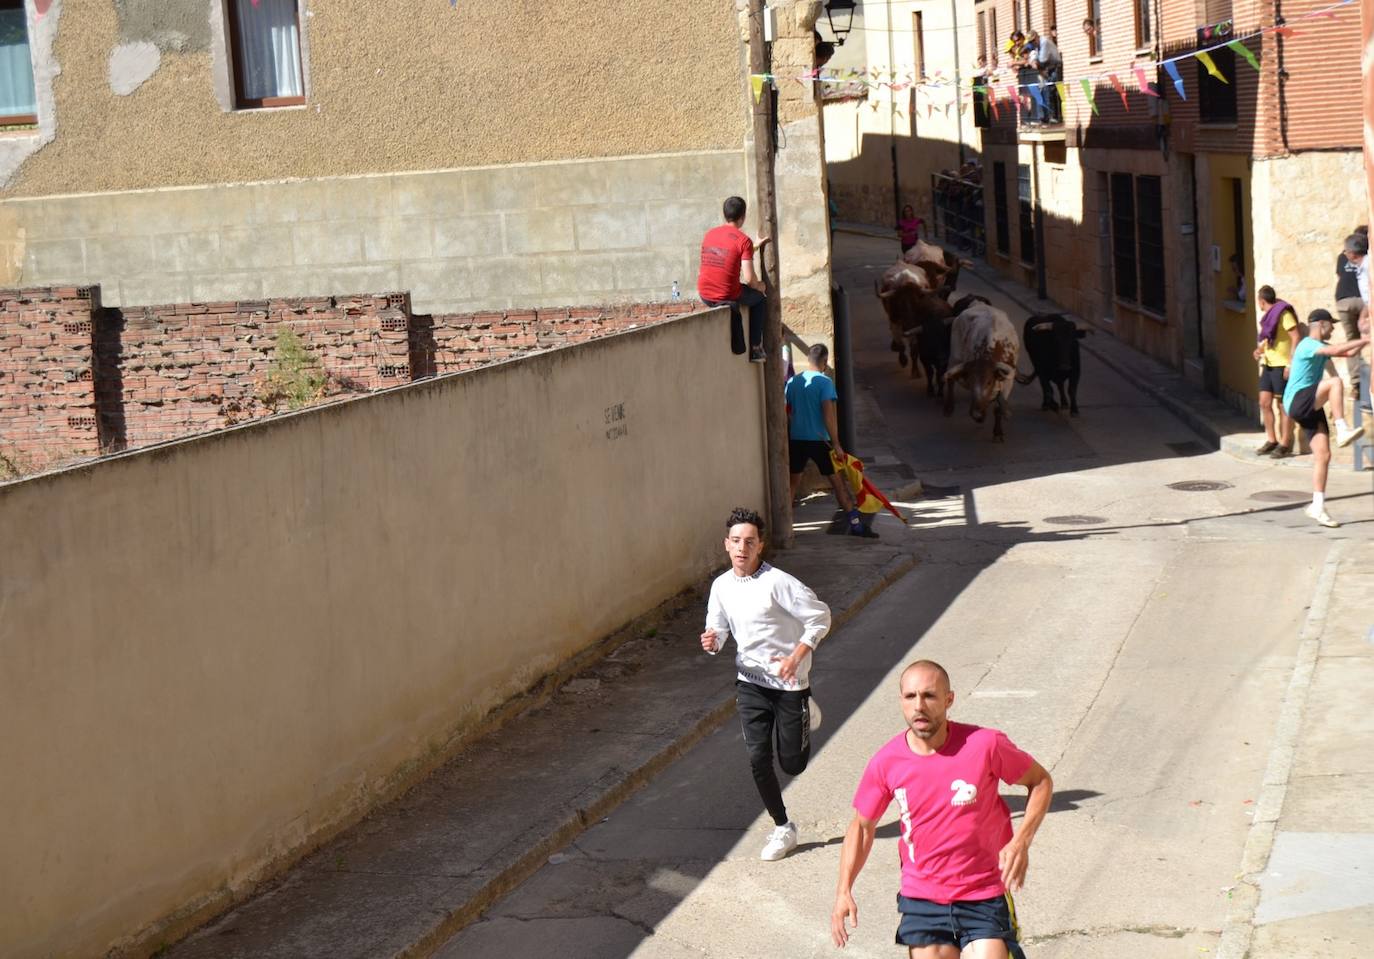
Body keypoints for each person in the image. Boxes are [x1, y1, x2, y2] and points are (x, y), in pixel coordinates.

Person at [831, 660, 1053, 957]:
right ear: (901, 701)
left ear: (949, 700)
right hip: (923, 898)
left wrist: (1022, 841)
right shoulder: (886, 762)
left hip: (983, 892)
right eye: (910, 696)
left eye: (929, 696)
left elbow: (1040, 782)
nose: (919, 705)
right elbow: (862, 827)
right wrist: (843, 890)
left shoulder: (985, 744)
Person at [701, 507, 831, 861]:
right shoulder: (722, 586)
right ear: (727, 544)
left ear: (760, 546)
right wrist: (714, 642)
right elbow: (720, 628)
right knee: (758, 758)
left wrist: (796, 656)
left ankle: (806, 711)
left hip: (790, 683)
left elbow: (820, 617)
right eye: (736, 541)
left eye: (750, 542)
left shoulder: (779, 583)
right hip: (750, 683)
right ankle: (782, 827)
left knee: (792, 765)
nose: (742, 548)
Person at [1282, 309, 1368, 528]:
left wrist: (1364, 340)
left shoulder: (1321, 350)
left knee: (1323, 455)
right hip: (1297, 400)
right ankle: (1342, 429)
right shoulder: (1308, 344)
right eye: (1331, 324)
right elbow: (1339, 349)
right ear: (1321, 324)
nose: (1333, 328)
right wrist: (1366, 338)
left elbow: (1346, 354)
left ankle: (1317, 506)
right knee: (1336, 383)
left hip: (1308, 403)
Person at [785, 343, 868, 536]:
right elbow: (828, 415)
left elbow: (786, 411)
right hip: (820, 440)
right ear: (824, 362)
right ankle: (855, 524)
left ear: (808, 360)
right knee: (837, 483)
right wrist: (837, 443)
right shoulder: (825, 383)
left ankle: (786, 526)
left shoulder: (793, 382)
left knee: (792, 484)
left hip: (797, 439)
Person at [698, 196, 771, 363]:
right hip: (726, 294)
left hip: (704, 294)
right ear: (743, 217)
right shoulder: (743, 240)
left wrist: (754, 247)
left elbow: (726, 252)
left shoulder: (710, 234)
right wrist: (760, 286)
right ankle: (756, 349)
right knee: (760, 299)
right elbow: (750, 278)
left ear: (725, 214)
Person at [1251, 286, 1299, 457]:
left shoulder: (1283, 314)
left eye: (1259, 301)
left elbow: (1295, 336)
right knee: (1264, 402)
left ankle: (1285, 442)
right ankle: (1272, 440)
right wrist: (1260, 350)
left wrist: (1290, 364)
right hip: (1269, 364)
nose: (1259, 304)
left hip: (1282, 366)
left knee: (1282, 406)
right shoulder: (1269, 317)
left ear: (1262, 301)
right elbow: (1268, 338)